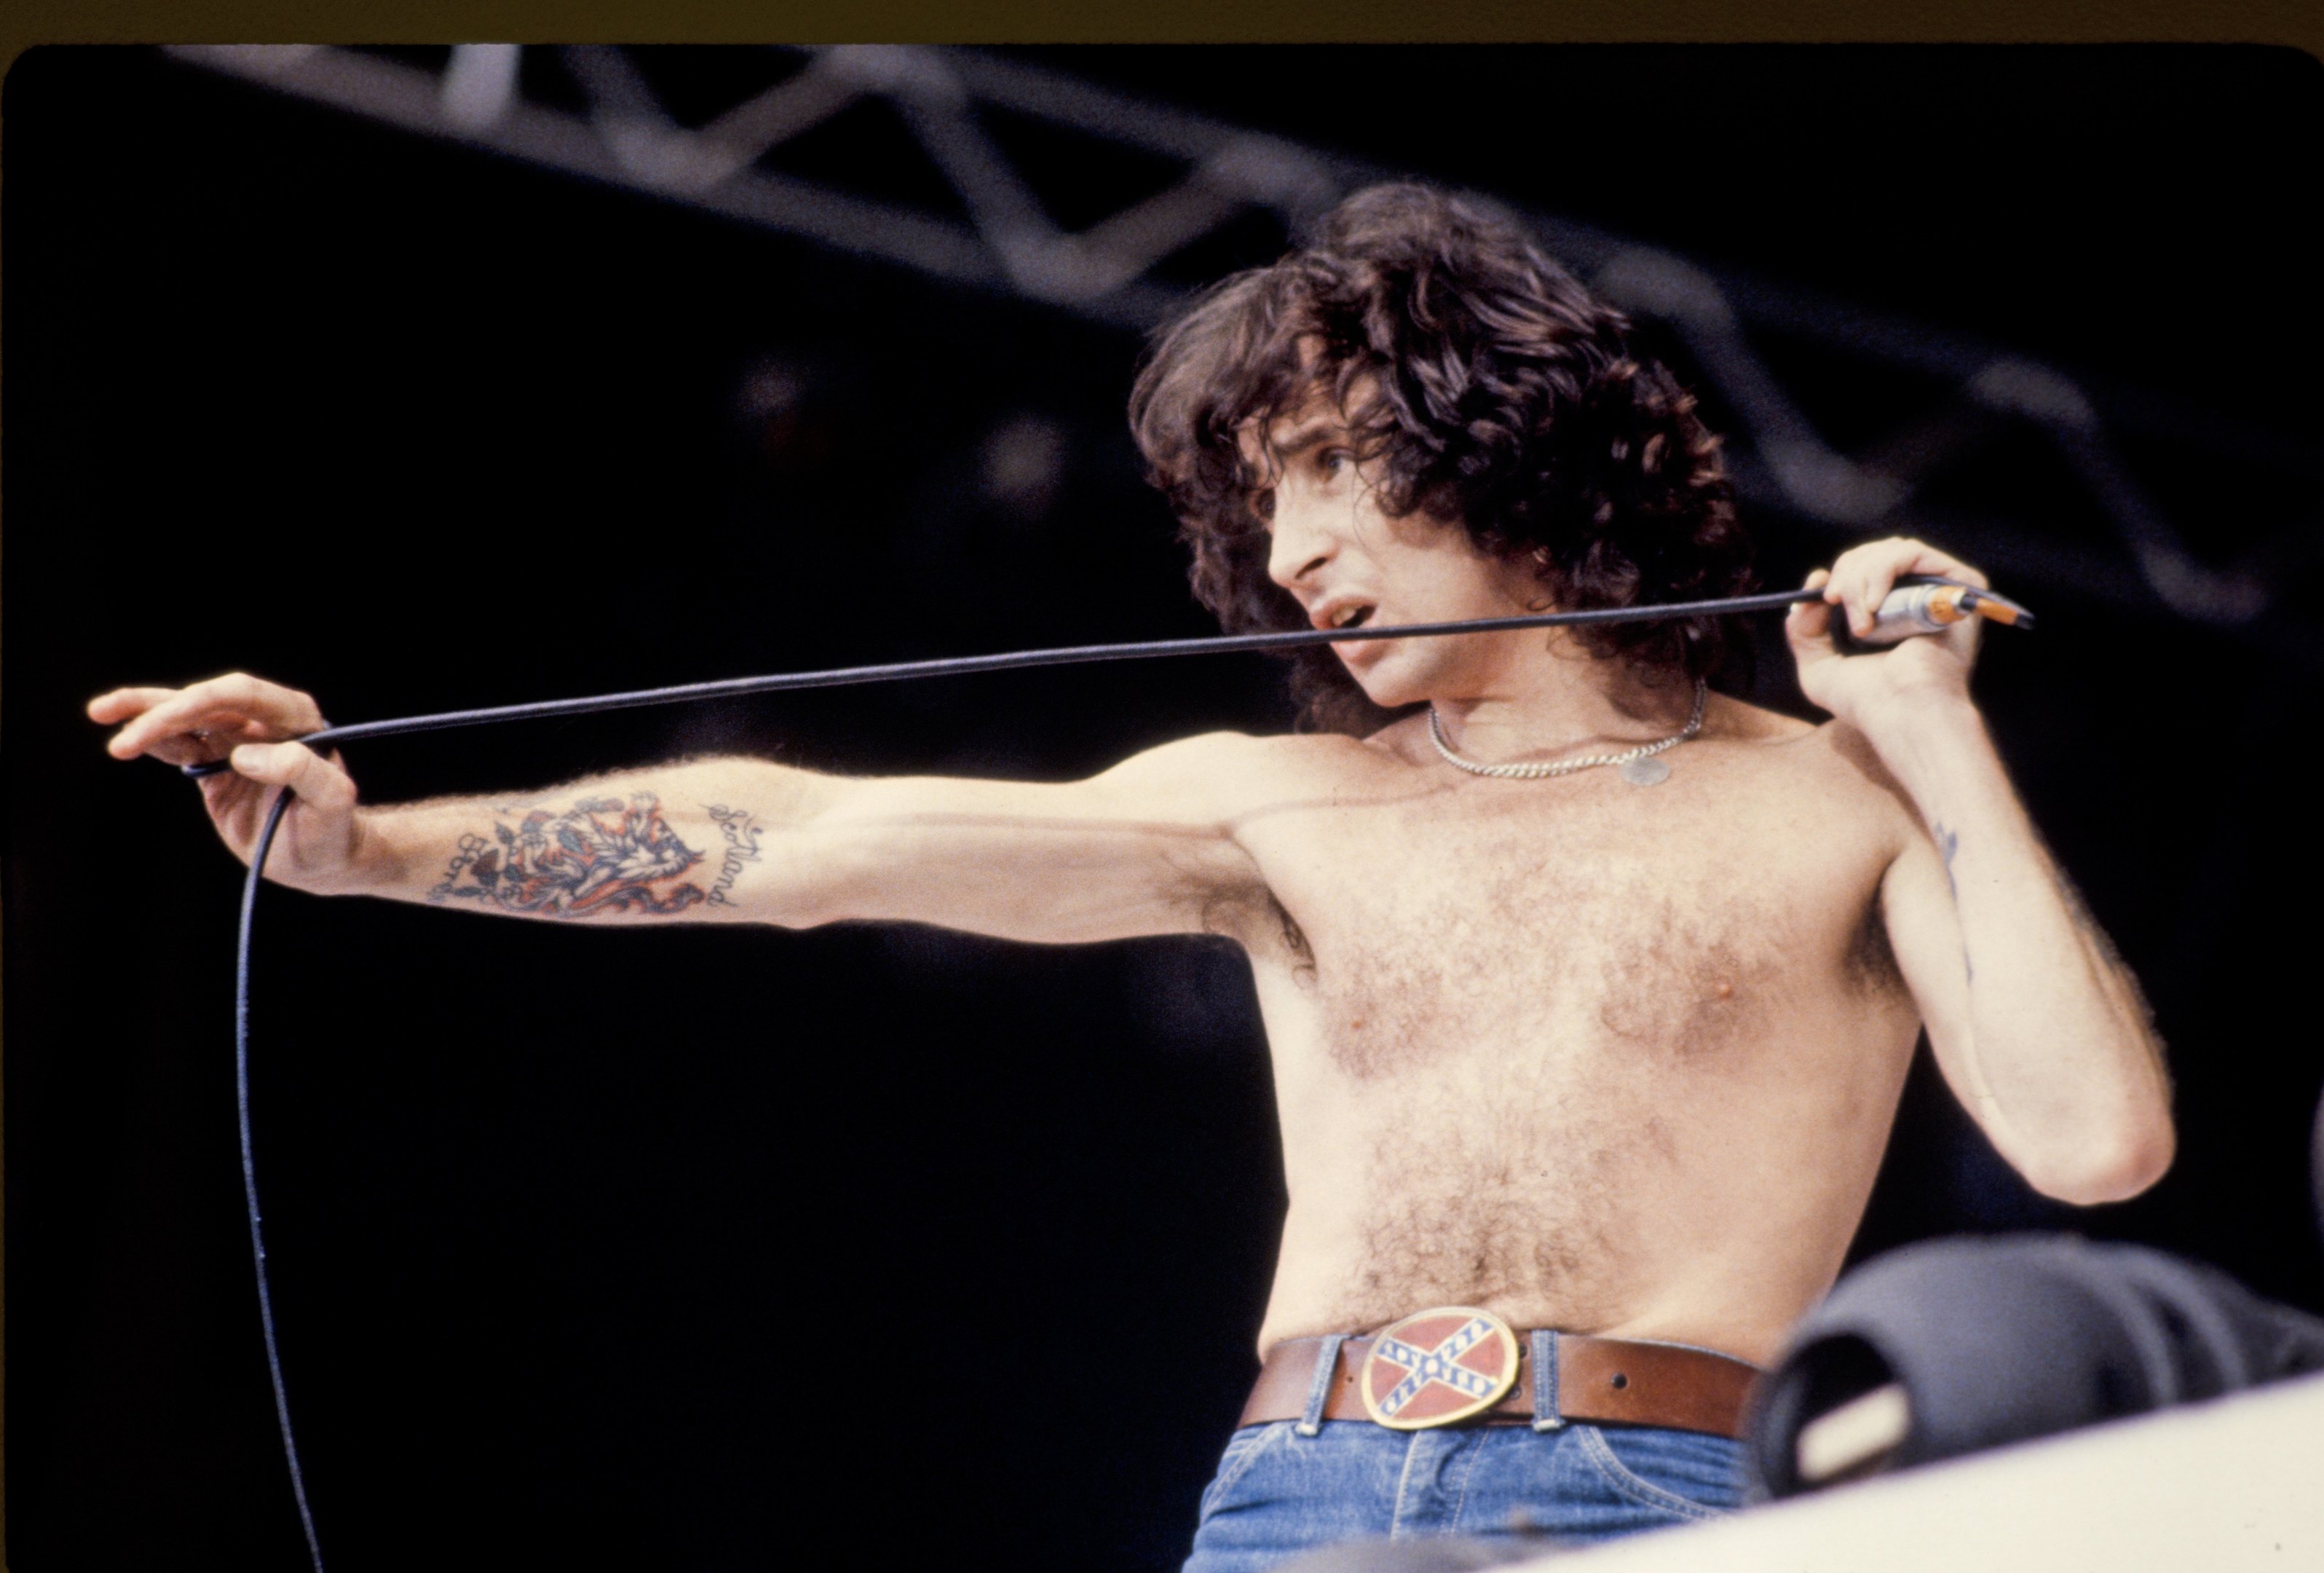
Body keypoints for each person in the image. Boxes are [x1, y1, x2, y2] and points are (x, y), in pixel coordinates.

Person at [90, 185, 2173, 1569]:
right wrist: (369, 850)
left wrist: (1930, 731)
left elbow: (2095, 1144)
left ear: (1502, 439)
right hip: (1303, 1494)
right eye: (1261, 507)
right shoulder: (1276, 802)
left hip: (1677, 1491)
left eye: (1336, 472)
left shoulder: (1832, 800)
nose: (1291, 554)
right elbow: (800, 845)